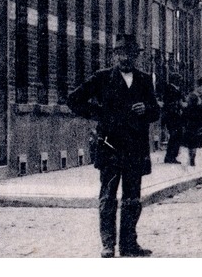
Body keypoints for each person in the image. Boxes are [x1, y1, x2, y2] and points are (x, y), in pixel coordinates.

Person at [66, 32, 159, 257]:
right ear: (114, 56)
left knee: (132, 198)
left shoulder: (145, 80)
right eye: (120, 54)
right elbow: (73, 100)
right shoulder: (102, 78)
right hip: (110, 146)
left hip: (135, 149)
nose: (124, 58)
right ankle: (108, 245)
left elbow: (156, 111)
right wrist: (100, 114)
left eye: (129, 54)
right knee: (108, 197)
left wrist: (146, 109)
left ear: (136, 57)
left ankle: (129, 244)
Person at [178, 77, 202, 166]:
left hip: (192, 122)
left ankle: (192, 158)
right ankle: (192, 158)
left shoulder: (194, 95)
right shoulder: (196, 96)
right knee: (193, 142)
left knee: (192, 143)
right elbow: (201, 112)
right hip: (195, 122)